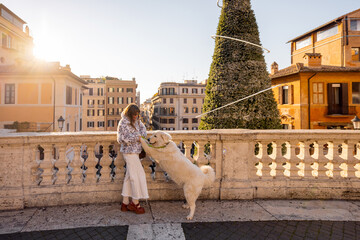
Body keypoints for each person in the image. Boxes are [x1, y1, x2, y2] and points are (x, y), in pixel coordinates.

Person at [117, 103, 148, 214]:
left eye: (137, 114)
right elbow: (121, 139)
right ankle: (135, 203)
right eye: (134, 114)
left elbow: (144, 131)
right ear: (130, 114)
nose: (136, 116)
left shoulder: (138, 122)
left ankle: (125, 203)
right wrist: (137, 137)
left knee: (129, 177)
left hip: (136, 153)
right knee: (137, 176)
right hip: (129, 153)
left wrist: (141, 136)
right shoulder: (123, 123)